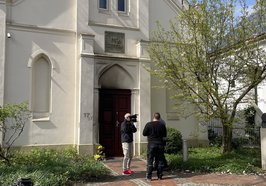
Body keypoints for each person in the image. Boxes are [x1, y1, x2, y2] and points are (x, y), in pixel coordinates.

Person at [143, 112, 167, 181]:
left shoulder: (149, 124)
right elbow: (165, 136)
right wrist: (164, 144)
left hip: (151, 144)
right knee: (160, 160)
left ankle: (149, 177)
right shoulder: (162, 125)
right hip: (160, 144)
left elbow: (144, 133)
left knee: (150, 160)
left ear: (153, 117)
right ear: (159, 118)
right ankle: (159, 176)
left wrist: (150, 133)